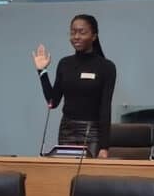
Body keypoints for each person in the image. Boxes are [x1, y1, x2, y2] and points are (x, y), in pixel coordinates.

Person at [33, 14, 117, 158]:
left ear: (94, 36)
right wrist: (42, 71)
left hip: (92, 132)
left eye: (82, 32)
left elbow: (105, 108)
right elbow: (52, 102)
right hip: (67, 130)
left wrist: (104, 147)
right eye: (73, 32)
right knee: (66, 171)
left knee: (89, 172)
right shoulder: (64, 64)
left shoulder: (106, 67)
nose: (76, 37)